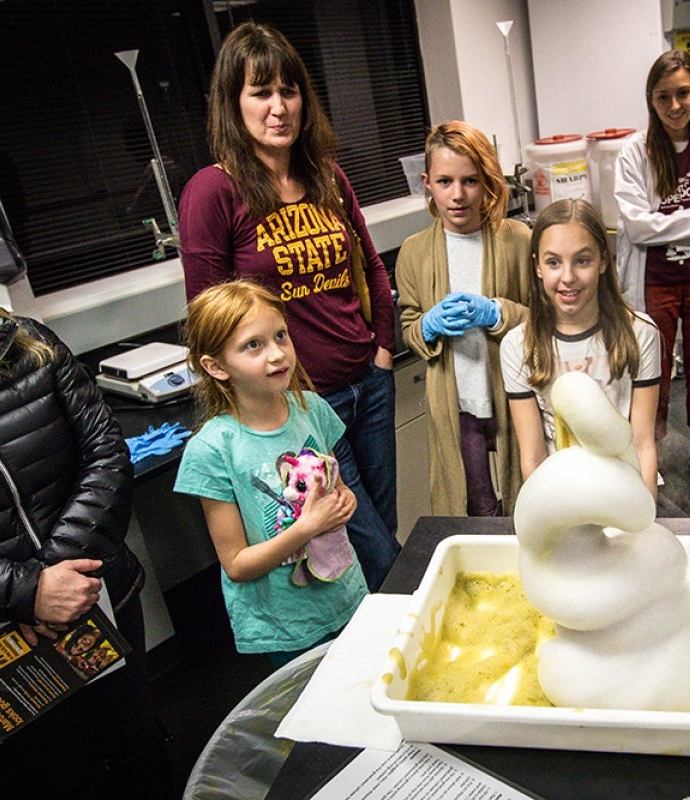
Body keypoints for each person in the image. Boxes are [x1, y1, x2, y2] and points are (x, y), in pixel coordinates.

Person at [178, 21, 399, 590]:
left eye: (289, 90)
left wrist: (382, 350)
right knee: (370, 544)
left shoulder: (327, 176)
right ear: (234, 103)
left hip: (368, 384)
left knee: (378, 523)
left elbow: (371, 267)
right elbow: (209, 315)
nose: (278, 107)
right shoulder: (214, 191)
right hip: (302, 404)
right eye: (260, 92)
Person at [0, 273, 172, 798]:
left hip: (95, 595)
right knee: (61, 772)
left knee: (137, 745)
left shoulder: (26, 344)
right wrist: (30, 592)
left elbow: (104, 451)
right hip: (0, 635)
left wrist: (60, 577)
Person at [173, 280, 369, 667]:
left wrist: (345, 502)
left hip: (346, 596)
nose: (278, 354)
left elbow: (340, 491)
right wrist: (305, 529)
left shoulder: (311, 409)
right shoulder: (213, 450)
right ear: (216, 367)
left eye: (281, 336)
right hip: (285, 625)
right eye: (253, 345)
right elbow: (236, 564)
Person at [614, 49, 690, 491]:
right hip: (655, 282)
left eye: (682, 93)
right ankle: (655, 454)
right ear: (651, 99)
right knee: (655, 371)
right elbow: (638, 228)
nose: (674, 106)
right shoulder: (634, 152)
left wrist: (676, 224)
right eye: (663, 96)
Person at [395, 121, 532, 517]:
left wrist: (498, 312)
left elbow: (543, 320)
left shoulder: (517, 240)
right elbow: (409, 329)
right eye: (444, 181)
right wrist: (428, 325)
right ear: (426, 182)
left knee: (529, 494)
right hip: (459, 404)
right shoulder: (415, 253)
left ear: (487, 181)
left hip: (514, 396)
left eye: (470, 181)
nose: (457, 195)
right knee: (476, 504)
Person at [501, 198, 662, 495]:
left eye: (582, 260)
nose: (568, 277)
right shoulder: (518, 345)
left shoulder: (640, 334)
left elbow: (642, 444)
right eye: (553, 262)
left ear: (603, 260)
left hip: (622, 487)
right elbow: (534, 457)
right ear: (537, 266)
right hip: (561, 492)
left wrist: (643, 521)